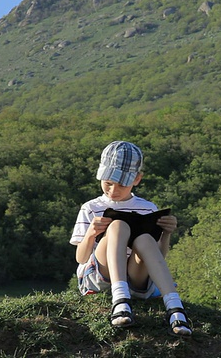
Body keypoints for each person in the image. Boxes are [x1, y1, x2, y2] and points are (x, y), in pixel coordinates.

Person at [70, 141, 192, 337]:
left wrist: (167, 233)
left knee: (144, 239)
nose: (113, 190)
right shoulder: (90, 208)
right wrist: (92, 233)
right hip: (101, 277)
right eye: (108, 183)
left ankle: (175, 309)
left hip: (137, 278)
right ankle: (120, 300)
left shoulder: (148, 207)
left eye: (121, 184)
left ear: (137, 179)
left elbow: (157, 256)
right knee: (118, 225)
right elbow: (81, 258)